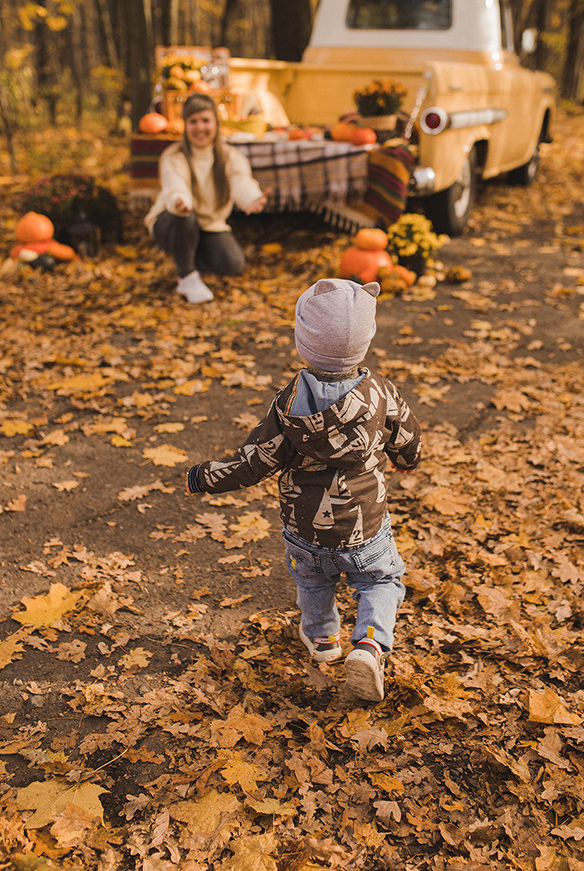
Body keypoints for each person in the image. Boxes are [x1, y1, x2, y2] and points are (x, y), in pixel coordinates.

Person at [185, 278, 421, 702]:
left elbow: (255, 459)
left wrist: (205, 476)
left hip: (305, 531)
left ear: (303, 340)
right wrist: (407, 460)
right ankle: (369, 643)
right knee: (382, 580)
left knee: (313, 583)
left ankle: (324, 640)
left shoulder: (289, 403)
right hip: (365, 527)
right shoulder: (383, 394)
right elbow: (406, 435)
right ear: (367, 338)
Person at [145, 93, 269, 304]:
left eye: (205, 120)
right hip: (172, 221)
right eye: (193, 121)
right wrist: (179, 200)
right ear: (185, 125)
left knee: (233, 265)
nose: (200, 127)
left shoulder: (230, 156)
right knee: (185, 218)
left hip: (209, 225)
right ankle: (186, 276)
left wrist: (251, 198)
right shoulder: (174, 155)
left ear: (216, 123)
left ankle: (187, 254)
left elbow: (241, 181)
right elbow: (174, 183)